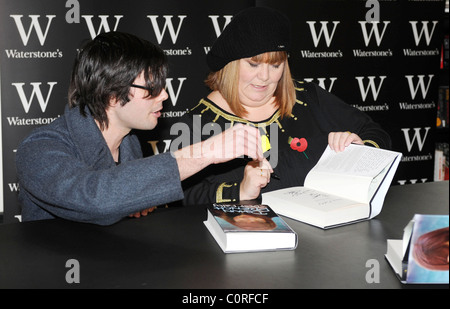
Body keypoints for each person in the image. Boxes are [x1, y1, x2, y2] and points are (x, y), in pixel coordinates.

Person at [15, 32, 264, 226]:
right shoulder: (39, 150)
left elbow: (118, 198)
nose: (165, 95)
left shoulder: (129, 142)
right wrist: (205, 151)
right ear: (112, 94)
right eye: (152, 88)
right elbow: (96, 198)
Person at [174, 7, 392, 206]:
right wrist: (240, 190)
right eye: (253, 64)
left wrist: (360, 150)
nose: (265, 77)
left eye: (276, 65)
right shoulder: (195, 123)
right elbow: (181, 197)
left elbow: (375, 132)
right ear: (230, 64)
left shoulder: (308, 97)